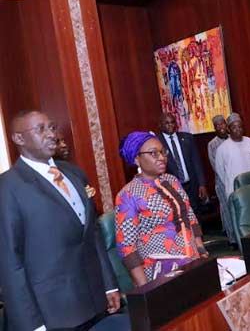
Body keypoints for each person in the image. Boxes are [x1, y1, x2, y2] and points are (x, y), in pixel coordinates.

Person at [0, 110, 123, 331]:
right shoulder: (8, 187)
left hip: (93, 302)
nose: (51, 134)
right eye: (41, 129)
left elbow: (93, 235)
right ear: (18, 138)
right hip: (51, 314)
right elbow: (9, 263)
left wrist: (108, 286)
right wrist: (31, 324)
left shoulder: (74, 173)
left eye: (52, 127)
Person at [115, 132, 209, 286]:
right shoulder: (128, 195)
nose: (161, 157)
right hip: (160, 273)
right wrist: (146, 288)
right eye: (153, 153)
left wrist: (200, 248)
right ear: (136, 159)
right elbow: (127, 248)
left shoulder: (172, 181)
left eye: (162, 152)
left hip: (192, 260)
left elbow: (190, 216)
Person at [157, 113, 207, 214]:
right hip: (172, 189)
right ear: (160, 125)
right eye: (166, 123)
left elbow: (196, 162)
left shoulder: (187, 138)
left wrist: (202, 184)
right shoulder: (156, 142)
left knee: (196, 215)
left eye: (172, 122)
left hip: (191, 186)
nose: (170, 125)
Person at [215, 113, 250, 198]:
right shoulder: (222, 149)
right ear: (228, 129)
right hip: (235, 192)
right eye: (234, 127)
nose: (238, 130)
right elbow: (221, 172)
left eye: (240, 127)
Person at [207, 115, 235, 245]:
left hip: (237, 181)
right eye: (217, 125)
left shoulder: (233, 138)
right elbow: (215, 166)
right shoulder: (212, 144)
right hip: (222, 183)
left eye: (222, 124)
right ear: (214, 128)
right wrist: (227, 181)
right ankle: (232, 240)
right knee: (227, 211)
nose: (221, 127)